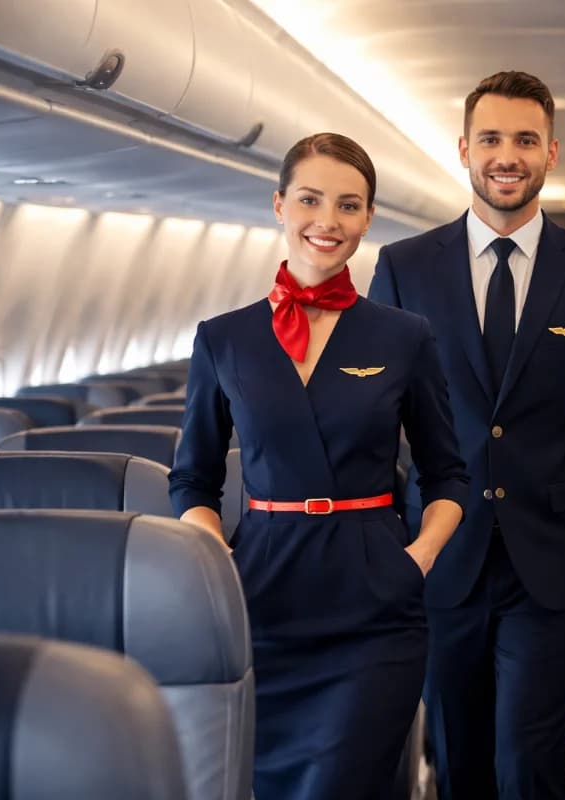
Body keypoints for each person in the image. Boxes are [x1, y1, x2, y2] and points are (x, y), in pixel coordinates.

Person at [368, 71, 565, 800]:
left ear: (552, 151)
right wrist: (383, 557)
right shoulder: (404, 268)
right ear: (464, 148)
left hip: (550, 559)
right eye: (491, 138)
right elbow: (375, 425)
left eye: (526, 139)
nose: (507, 155)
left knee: (529, 763)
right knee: (458, 760)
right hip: (441, 554)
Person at [169, 132, 468, 800]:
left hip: (373, 601)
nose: (327, 221)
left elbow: (448, 473)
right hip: (265, 595)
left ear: (366, 219)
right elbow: (192, 476)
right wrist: (219, 560)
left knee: (339, 783)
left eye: (348, 205)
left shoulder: (403, 336)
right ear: (279, 205)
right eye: (309, 200)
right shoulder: (225, 338)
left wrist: (414, 559)